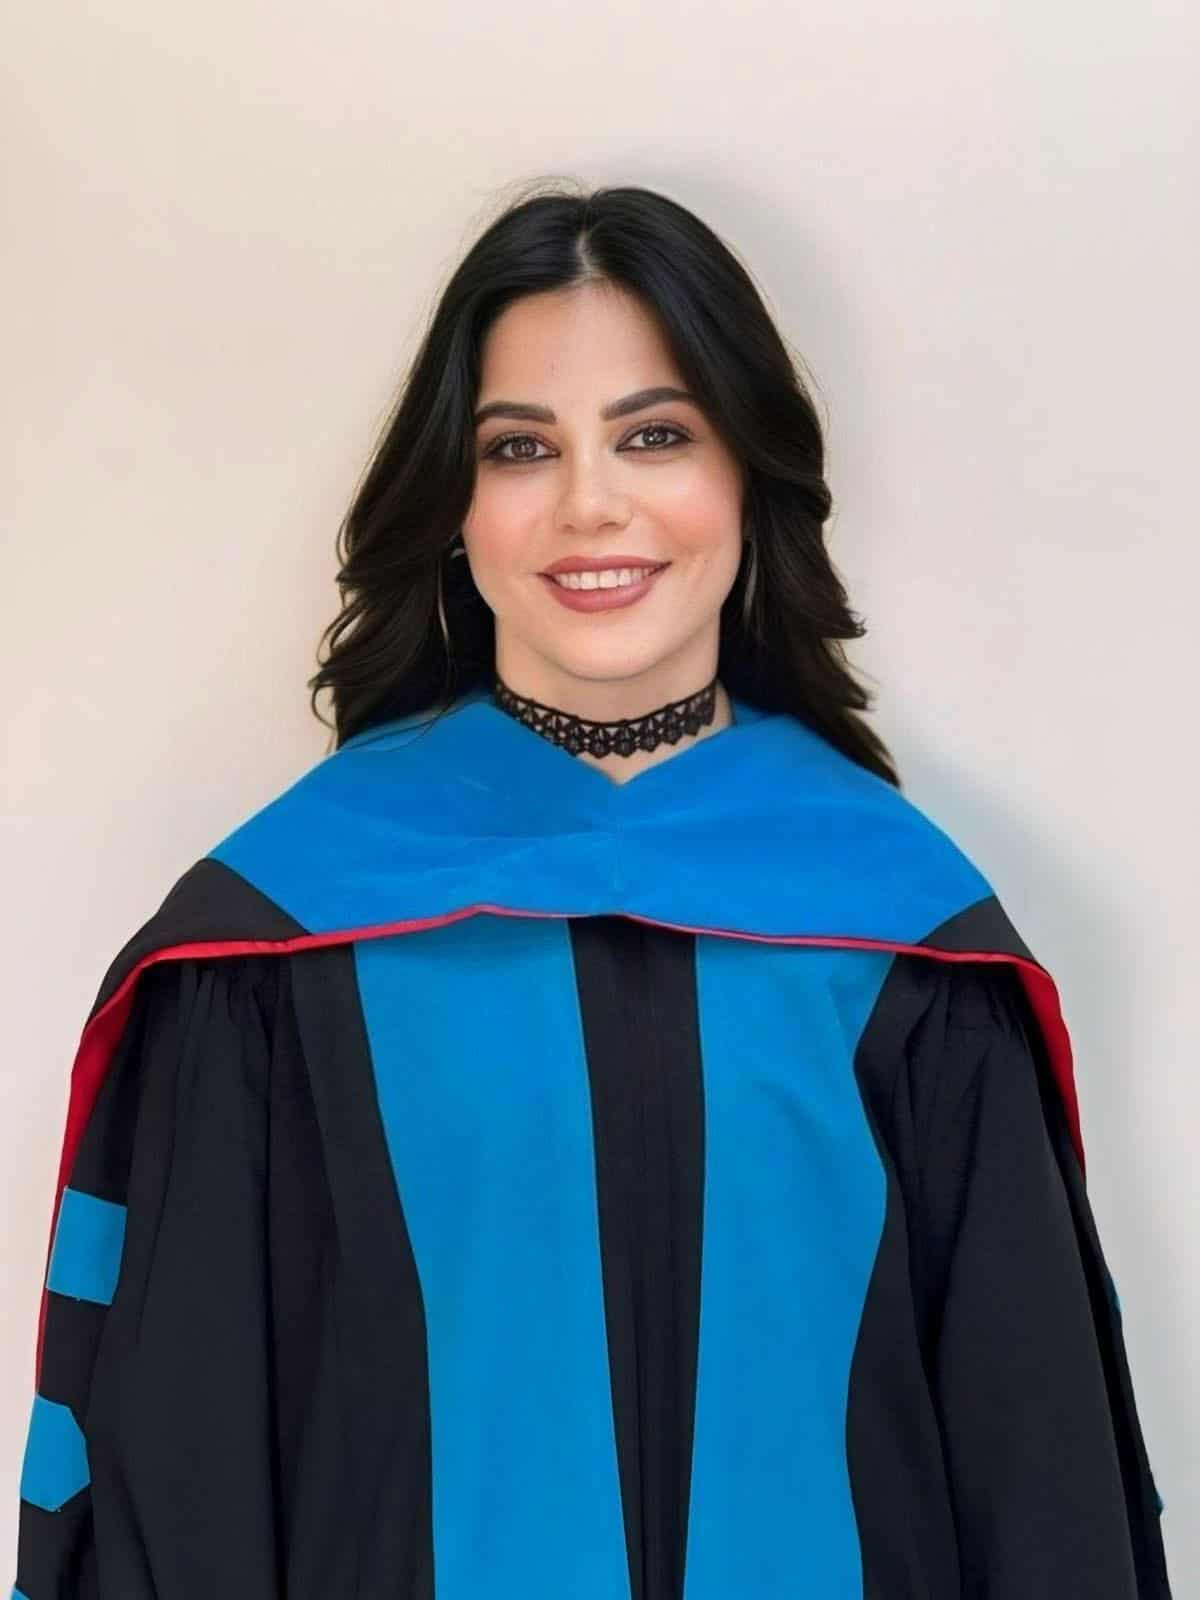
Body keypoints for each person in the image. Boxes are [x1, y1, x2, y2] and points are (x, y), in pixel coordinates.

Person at [12, 183, 1172, 1599]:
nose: (589, 504)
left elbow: (1039, 1482)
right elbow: (174, 1473)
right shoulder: (277, 947)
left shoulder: (907, 943)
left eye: (655, 434)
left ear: (746, 476)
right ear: (456, 506)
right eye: (521, 448)